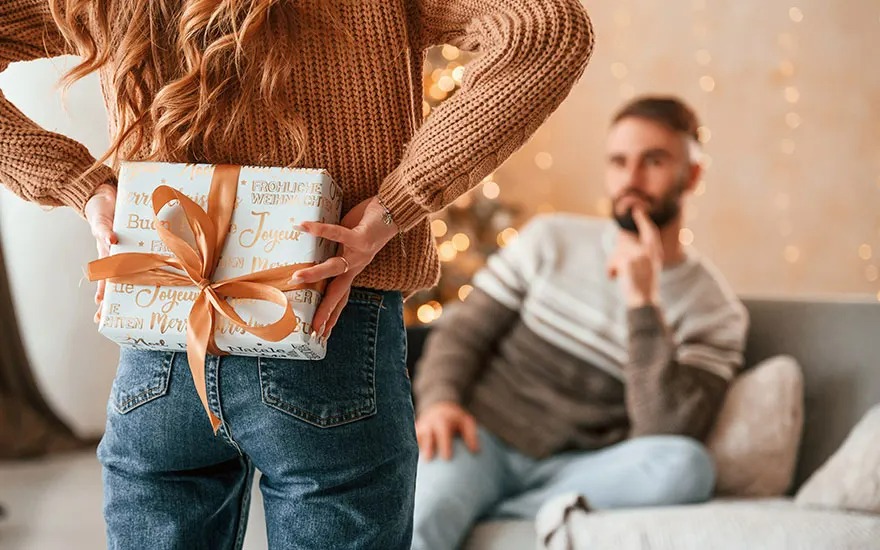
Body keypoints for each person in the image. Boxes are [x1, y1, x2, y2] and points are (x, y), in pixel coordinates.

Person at [0, 1, 594, 548]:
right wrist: (396, 205)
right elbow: (545, 29)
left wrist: (82, 187)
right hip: (326, 315)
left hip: (163, 328)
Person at [411, 96, 749, 550]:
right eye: (618, 162)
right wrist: (439, 402)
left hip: (585, 464)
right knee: (422, 521)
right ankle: (512, 501)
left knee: (688, 466)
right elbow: (462, 332)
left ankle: (499, 506)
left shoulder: (715, 310)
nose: (631, 179)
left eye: (654, 161)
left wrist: (642, 302)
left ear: (692, 174)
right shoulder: (551, 239)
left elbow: (662, 431)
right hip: (481, 440)